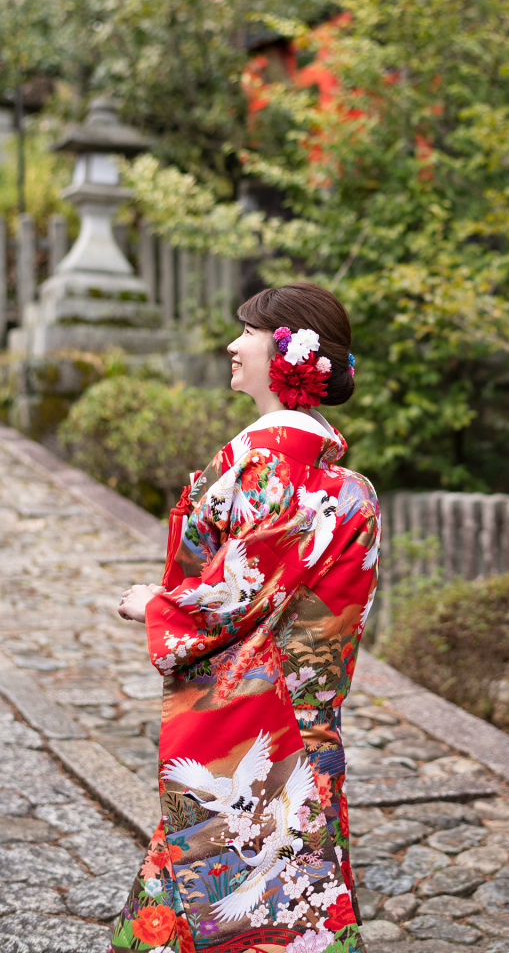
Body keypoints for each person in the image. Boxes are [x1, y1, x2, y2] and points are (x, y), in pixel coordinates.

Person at [112, 282, 380, 953]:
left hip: (260, 708)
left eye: (249, 334)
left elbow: (237, 594)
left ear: (287, 351)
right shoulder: (334, 481)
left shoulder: (275, 472)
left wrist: (158, 605)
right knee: (279, 872)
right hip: (301, 708)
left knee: (239, 873)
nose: (233, 345)